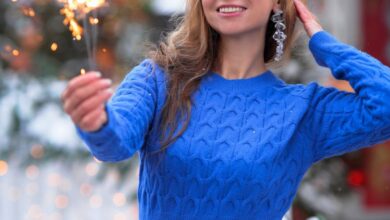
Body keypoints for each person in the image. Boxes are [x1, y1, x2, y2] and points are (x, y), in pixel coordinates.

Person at [61, 0, 390, 219]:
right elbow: (113, 143)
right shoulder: (158, 78)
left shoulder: (303, 111)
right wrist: (96, 123)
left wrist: (322, 42)